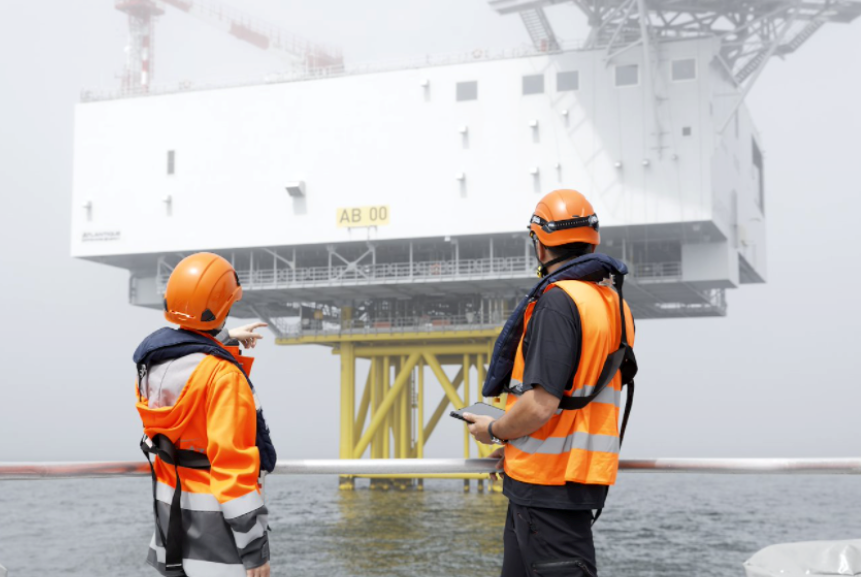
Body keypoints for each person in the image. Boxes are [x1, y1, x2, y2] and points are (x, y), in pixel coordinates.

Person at [464, 189, 636, 577]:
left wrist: (494, 429)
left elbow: (541, 405)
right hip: (569, 478)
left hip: (548, 487)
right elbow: (581, 399)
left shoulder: (558, 301)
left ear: (540, 246)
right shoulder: (613, 305)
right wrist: (514, 443)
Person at [134, 252, 277, 577]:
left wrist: (221, 339)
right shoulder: (224, 377)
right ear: (225, 307)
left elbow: (186, 359)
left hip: (172, 532)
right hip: (219, 545)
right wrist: (255, 551)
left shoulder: (151, 366)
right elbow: (232, 469)